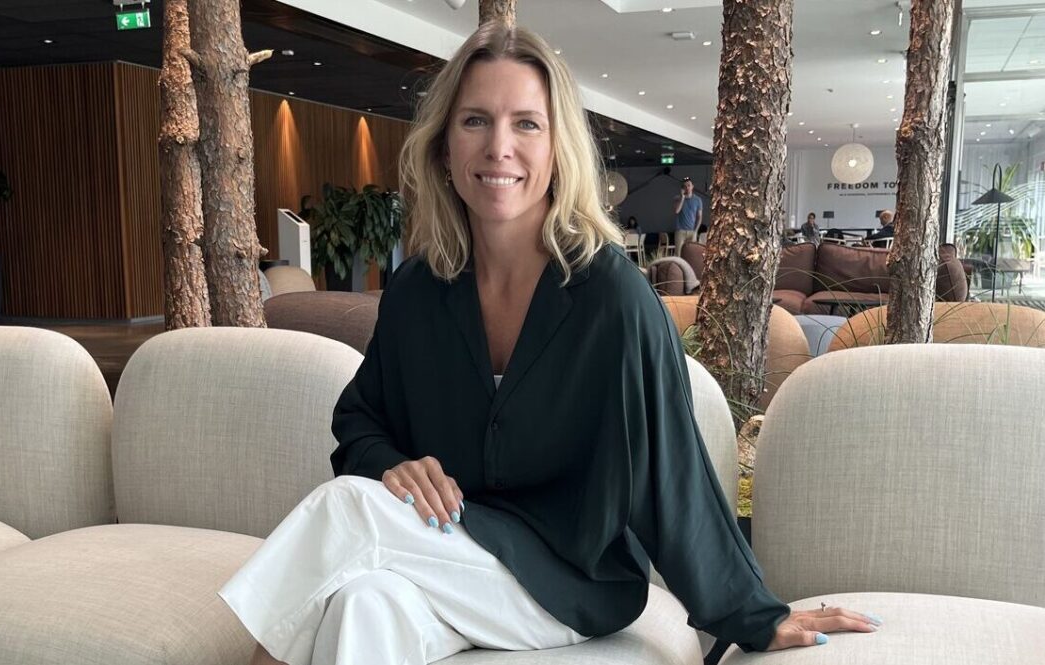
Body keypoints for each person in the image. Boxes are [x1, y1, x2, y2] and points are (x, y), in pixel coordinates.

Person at [219, 22, 880, 665]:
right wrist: (391, 462)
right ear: (444, 146)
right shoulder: (419, 288)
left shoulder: (610, 296)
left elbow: (671, 473)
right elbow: (361, 417)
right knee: (363, 604)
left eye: (525, 123)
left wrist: (752, 614)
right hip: (451, 556)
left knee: (345, 513)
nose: (497, 147)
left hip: (568, 583)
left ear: (558, 146)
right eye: (475, 120)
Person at [672, 177, 703, 255]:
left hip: (692, 231)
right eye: (685, 186)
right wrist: (682, 198)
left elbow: (699, 217)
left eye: (689, 185)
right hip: (680, 231)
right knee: (678, 254)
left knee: (691, 255)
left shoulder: (698, 200)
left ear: (692, 186)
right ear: (682, 188)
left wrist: (696, 231)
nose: (687, 188)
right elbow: (676, 211)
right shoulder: (677, 198)